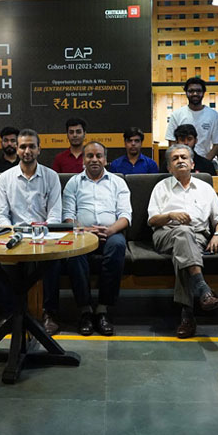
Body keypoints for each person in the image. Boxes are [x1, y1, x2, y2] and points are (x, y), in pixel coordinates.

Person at [148, 144, 218, 339]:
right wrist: (170, 215)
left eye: (184, 157)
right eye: (175, 159)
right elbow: (152, 220)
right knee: (183, 234)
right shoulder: (161, 187)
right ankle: (202, 288)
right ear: (169, 167)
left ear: (192, 164)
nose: (180, 161)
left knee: (183, 248)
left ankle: (188, 315)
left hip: (198, 236)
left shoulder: (205, 188)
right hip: (165, 234)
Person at [59, 141, 130, 336]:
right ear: (83, 160)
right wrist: (85, 230)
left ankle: (102, 309)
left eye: (99, 156)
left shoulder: (118, 182)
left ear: (105, 160)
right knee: (73, 252)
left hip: (111, 233)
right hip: (82, 234)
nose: (94, 159)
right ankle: (85, 310)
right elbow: (68, 216)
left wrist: (110, 230)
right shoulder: (74, 183)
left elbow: (125, 216)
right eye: (90, 156)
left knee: (118, 246)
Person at [0, 128, 62, 320]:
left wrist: (41, 233)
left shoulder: (51, 176)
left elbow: (55, 214)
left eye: (32, 146)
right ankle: (11, 315)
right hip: (14, 235)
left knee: (54, 261)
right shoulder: (5, 178)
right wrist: (13, 232)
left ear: (39, 149)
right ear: (17, 149)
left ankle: (49, 314)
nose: (27, 151)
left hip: (44, 235)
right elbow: (0, 215)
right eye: (23, 146)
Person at [164, 77, 218, 163]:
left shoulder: (214, 116)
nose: (195, 94)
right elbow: (172, 142)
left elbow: (217, 144)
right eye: (191, 91)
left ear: (203, 93)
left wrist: (204, 163)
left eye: (198, 91)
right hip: (181, 162)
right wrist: (181, 161)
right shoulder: (176, 115)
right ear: (186, 93)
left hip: (206, 161)